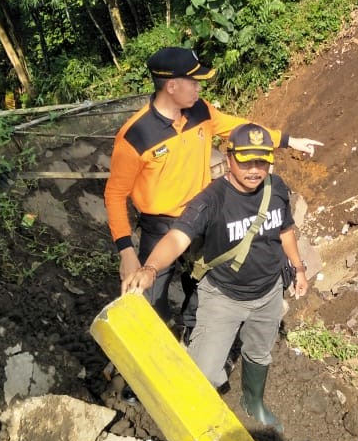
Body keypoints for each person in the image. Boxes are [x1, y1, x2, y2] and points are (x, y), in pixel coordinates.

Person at [104, 47, 321, 335]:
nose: (199, 87)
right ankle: (158, 339)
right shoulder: (135, 135)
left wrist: (288, 140)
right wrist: (126, 252)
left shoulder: (201, 111)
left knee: (206, 286)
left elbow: (239, 129)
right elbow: (115, 195)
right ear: (172, 86)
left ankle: (195, 335)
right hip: (160, 227)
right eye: (194, 82)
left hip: (203, 217)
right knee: (149, 295)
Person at [129, 123, 308, 431]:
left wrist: (299, 268)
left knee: (259, 351)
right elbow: (177, 238)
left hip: (268, 292)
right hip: (223, 296)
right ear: (229, 158)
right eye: (246, 161)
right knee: (204, 374)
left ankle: (254, 401)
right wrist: (150, 268)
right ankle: (192, 416)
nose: (254, 170)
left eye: (261, 161)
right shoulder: (210, 200)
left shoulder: (276, 188)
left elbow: (286, 230)